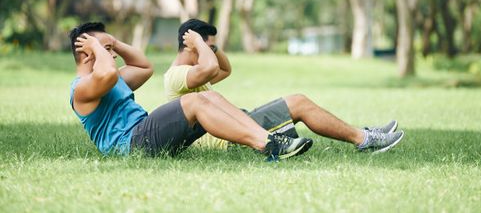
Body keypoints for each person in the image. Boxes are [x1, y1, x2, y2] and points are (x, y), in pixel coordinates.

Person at [68, 22, 312, 161]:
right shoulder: (82, 89)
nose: (112, 54)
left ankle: (269, 139)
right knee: (194, 101)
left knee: (209, 97)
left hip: (145, 136)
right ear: (87, 53)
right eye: (107, 50)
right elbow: (108, 73)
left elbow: (144, 67)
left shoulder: (113, 78)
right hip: (129, 145)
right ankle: (267, 146)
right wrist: (98, 47)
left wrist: (114, 42)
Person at [164, 19, 405, 153]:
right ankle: (364, 139)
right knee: (298, 102)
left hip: (239, 123)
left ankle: (363, 134)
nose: (212, 54)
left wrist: (209, 46)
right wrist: (198, 43)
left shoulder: (194, 72)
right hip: (231, 139)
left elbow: (225, 70)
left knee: (297, 100)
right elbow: (209, 69)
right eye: (208, 48)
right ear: (189, 47)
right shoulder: (177, 76)